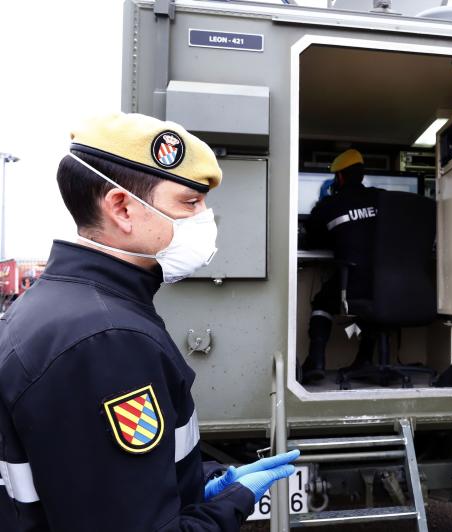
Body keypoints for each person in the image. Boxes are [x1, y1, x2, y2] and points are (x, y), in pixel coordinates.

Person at [0, 112, 299, 531]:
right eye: (190, 203)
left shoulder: (64, 307)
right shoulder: (106, 340)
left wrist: (198, 485)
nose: (205, 219)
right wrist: (234, 502)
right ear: (122, 208)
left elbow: (110, 488)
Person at [300, 149, 381, 383]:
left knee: (323, 301)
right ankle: (365, 358)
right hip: (389, 284)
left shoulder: (330, 204)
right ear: (362, 176)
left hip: (354, 281)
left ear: (340, 178)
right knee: (377, 303)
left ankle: (316, 360)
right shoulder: (383, 199)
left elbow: (313, 240)